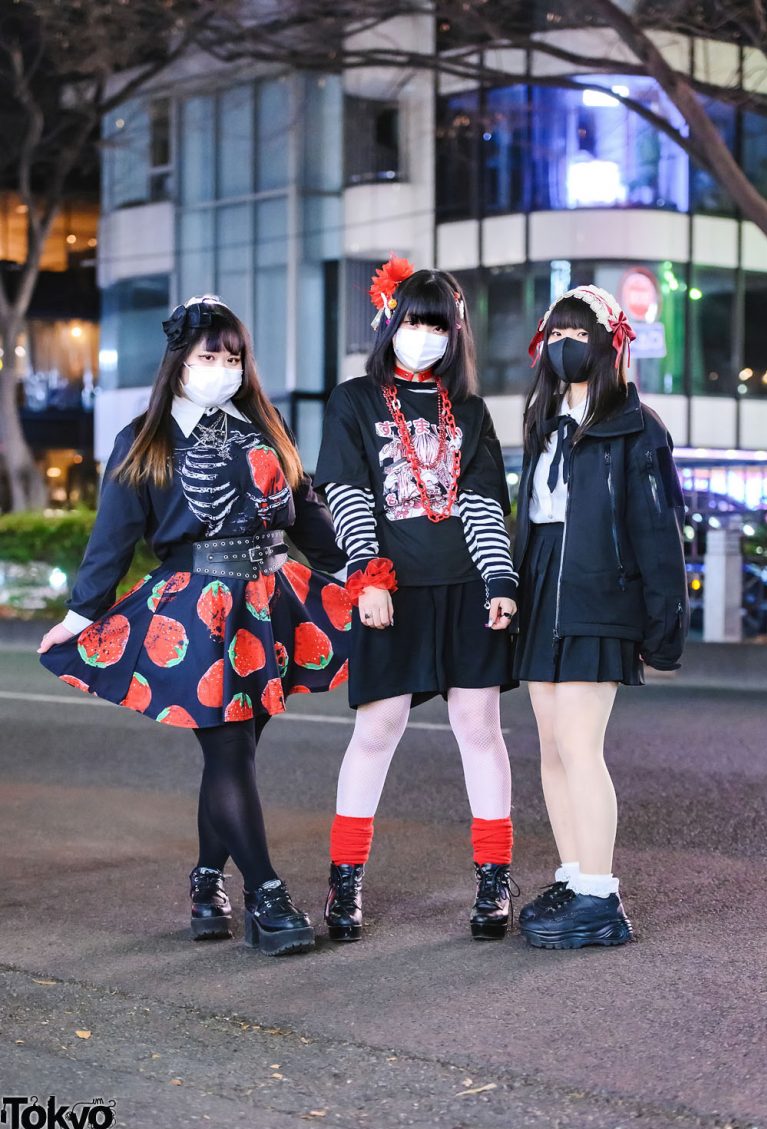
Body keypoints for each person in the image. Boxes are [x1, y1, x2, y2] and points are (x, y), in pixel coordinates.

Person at [38, 295, 352, 958]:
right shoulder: (145, 438)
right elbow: (112, 536)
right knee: (229, 750)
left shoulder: (262, 425)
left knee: (235, 753)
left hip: (269, 600)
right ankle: (266, 895)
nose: (223, 369)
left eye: (233, 358)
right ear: (179, 360)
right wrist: (79, 615)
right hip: (200, 608)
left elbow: (304, 510)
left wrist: (353, 573)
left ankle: (208, 882)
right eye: (210, 357)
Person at [313, 258, 519, 943]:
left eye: (438, 326)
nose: (425, 336)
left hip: (465, 587)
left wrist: (499, 580)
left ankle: (493, 880)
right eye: (414, 323)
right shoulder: (354, 400)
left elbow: (484, 503)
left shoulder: (472, 411)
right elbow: (346, 491)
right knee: (378, 730)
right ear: (389, 324)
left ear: (454, 335)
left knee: (480, 728)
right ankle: (345, 880)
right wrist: (367, 577)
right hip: (392, 590)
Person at [513, 284, 688, 949]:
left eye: (579, 335)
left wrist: (664, 629)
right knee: (551, 747)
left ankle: (600, 897)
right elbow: (530, 519)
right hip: (543, 587)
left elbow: (659, 533)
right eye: (556, 335)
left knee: (580, 745)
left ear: (609, 345)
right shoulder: (543, 420)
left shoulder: (638, 426)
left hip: (601, 592)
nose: (565, 347)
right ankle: (574, 875)